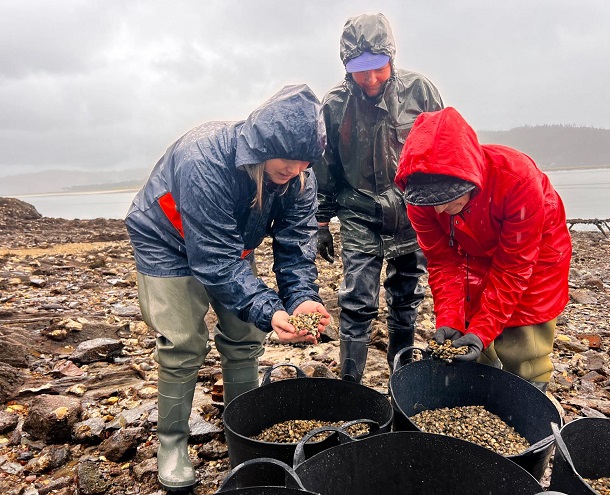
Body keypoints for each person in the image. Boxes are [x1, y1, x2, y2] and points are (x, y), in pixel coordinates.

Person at [125, 84, 331, 492]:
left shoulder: (299, 179)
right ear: (263, 144)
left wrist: (302, 299)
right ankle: (172, 444)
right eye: (287, 158)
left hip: (231, 244)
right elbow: (214, 261)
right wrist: (271, 309)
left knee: (245, 336)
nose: (294, 169)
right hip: (165, 240)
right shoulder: (204, 160)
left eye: (304, 160)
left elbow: (296, 247)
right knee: (183, 343)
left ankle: (242, 430)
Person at [394, 107, 572, 392]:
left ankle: (527, 394)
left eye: (448, 197)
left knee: (523, 337)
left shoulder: (516, 178)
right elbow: (443, 262)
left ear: (470, 179)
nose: (439, 209)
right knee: (468, 329)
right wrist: (451, 320)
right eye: (431, 201)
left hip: (536, 251)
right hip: (469, 250)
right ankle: (478, 384)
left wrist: (483, 330)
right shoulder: (419, 197)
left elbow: (513, 267)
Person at [314, 13, 444, 383]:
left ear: (391, 57)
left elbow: (442, 150)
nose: (370, 78)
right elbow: (326, 167)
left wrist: (446, 213)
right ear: (346, 66)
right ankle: (349, 386)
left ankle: (401, 381)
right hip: (358, 212)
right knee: (356, 301)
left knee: (406, 298)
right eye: (360, 70)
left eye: (377, 67)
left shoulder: (420, 91)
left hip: (412, 213)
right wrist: (321, 222)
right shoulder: (334, 104)